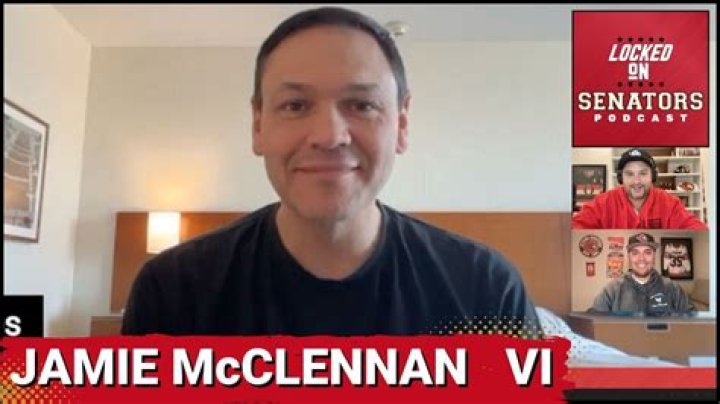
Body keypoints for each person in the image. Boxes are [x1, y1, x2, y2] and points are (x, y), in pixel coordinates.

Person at [121, 7, 540, 336]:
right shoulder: (174, 291)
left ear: (401, 124)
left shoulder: (485, 291)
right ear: (258, 125)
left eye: (361, 105)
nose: (328, 136)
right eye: (295, 105)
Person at [572, 148, 707, 230]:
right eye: (629, 174)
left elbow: (697, 229)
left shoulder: (669, 203)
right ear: (620, 178)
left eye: (643, 173)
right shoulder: (602, 202)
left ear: (653, 176)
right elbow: (575, 228)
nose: (636, 181)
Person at [589, 233, 694, 315]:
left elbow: (692, 320)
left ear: (654, 256)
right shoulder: (611, 290)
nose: (641, 259)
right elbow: (593, 322)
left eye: (647, 252)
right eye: (635, 253)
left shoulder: (673, 288)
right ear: (629, 257)